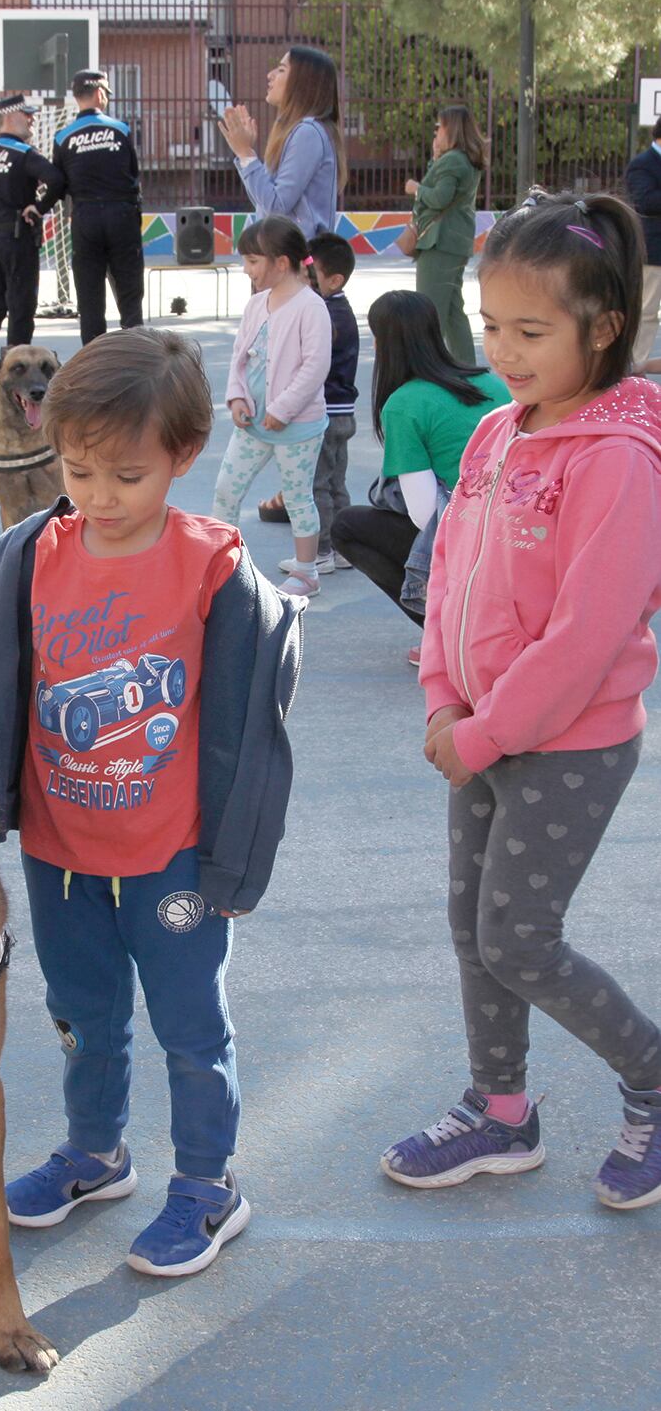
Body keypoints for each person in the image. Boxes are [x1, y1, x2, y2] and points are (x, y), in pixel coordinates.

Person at [0, 328, 301, 1279]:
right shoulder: (24, 554)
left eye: (126, 475)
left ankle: (210, 1186)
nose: (98, 495)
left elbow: (254, 729)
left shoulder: (216, 569)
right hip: (58, 850)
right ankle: (97, 1154)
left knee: (189, 1027)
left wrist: (235, 862)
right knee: (82, 1013)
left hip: (174, 855)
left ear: (183, 456)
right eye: (78, 467)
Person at [382, 189, 661, 1213]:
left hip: (567, 743)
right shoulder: (498, 430)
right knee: (473, 927)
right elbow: (447, 568)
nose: (502, 349)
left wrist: (487, 729)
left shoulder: (617, 459)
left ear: (603, 326)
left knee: (517, 938)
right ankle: (500, 1112)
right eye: (490, 323)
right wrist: (442, 700)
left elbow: (587, 636)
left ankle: (653, 1075)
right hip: (482, 731)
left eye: (530, 331)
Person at [330, 291, 509, 655]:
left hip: (467, 534)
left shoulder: (404, 404)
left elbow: (426, 513)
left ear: (383, 343)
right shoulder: (492, 382)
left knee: (347, 525)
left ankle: (445, 631)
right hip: (514, 524)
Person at [210, 215, 332, 597]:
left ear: (281, 263)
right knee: (226, 489)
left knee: (297, 498)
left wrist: (282, 410)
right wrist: (236, 397)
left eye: (253, 261)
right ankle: (221, 565)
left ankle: (307, 571)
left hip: (296, 426)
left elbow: (315, 367)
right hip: (252, 424)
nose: (247, 270)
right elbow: (240, 355)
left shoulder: (310, 307)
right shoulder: (256, 303)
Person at [258, 230, 360, 575]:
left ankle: (321, 551)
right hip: (342, 411)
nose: (304, 279)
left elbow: (309, 362)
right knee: (335, 483)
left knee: (315, 484)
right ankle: (346, 547)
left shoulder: (323, 313)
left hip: (324, 413)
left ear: (334, 279)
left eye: (310, 274)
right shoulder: (338, 308)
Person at [0, 92, 67, 372]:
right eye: (28, 115)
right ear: (11, 116)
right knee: (21, 309)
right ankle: (16, 371)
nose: (32, 120)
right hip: (17, 238)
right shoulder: (23, 153)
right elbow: (57, 179)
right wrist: (38, 206)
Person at [51, 67, 144, 344]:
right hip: (121, 214)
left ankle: (93, 368)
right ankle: (138, 357)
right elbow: (133, 173)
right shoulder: (121, 129)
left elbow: (59, 182)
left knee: (90, 300)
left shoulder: (62, 137)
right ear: (100, 93)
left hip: (85, 216)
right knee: (129, 296)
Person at [218, 46, 346, 243]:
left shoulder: (308, 132)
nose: (270, 75)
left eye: (281, 70)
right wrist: (245, 153)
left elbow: (276, 206)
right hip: (287, 260)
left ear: (303, 83)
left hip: (298, 263)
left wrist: (245, 153)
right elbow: (266, 203)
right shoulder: (300, 131)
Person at [404, 104, 487, 367]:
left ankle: (429, 366)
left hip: (440, 242)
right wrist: (435, 157)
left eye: (440, 126)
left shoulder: (454, 160)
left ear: (451, 129)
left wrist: (416, 189)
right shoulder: (463, 159)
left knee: (430, 307)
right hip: (456, 240)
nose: (436, 131)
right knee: (452, 311)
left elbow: (439, 198)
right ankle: (465, 366)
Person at [624, 113, 661, 373]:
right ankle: (634, 371)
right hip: (654, 252)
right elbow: (646, 202)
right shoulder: (642, 165)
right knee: (646, 313)